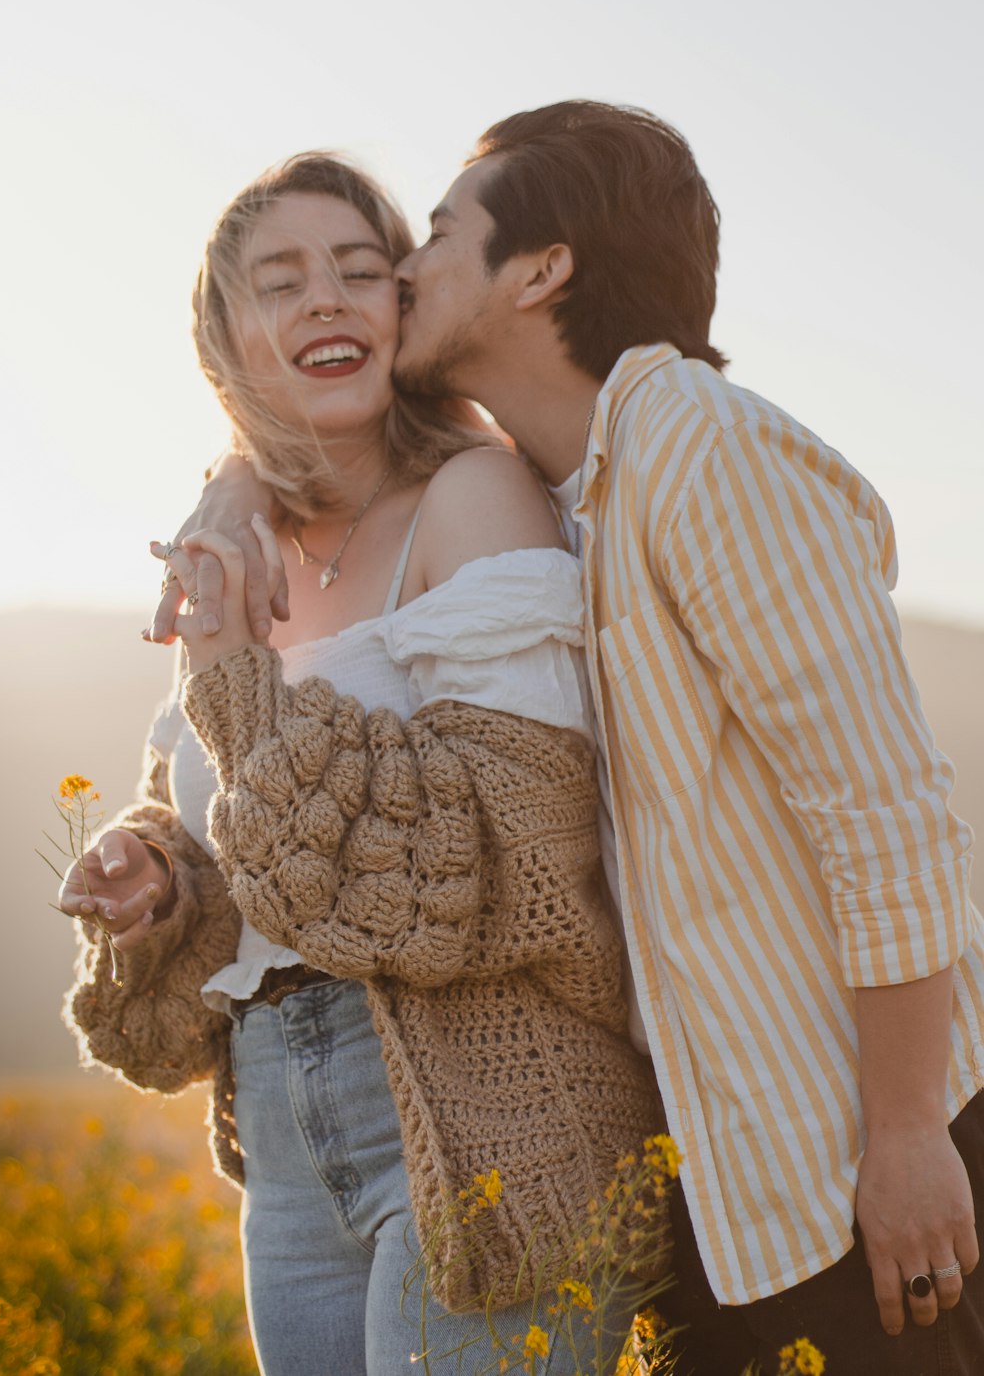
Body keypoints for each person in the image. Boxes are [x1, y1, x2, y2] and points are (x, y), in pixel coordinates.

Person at [174, 103, 984, 1376]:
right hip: (727, 1169)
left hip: (857, 1141)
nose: (400, 274)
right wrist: (237, 475)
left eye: (431, 238)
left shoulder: (700, 447)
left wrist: (903, 1131)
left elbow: (888, 816)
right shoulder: (580, 488)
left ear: (540, 271)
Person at [58, 151, 664, 1376]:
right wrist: (159, 876)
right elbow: (255, 827)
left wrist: (231, 672)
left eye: (358, 269)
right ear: (228, 341)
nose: (327, 298)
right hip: (284, 1134)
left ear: (401, 310)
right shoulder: (235, 545)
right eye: (281, 281)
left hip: (487, 1103)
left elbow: (509, 853)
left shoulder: (475, 495)